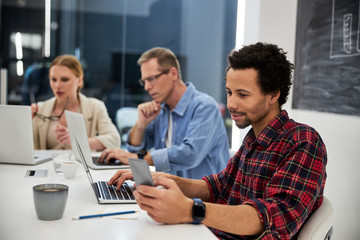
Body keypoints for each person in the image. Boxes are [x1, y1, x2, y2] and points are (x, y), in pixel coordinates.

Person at [107, 43, 327, 239]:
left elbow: (271, 218)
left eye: (242, 94)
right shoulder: (253, 140)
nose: (230, 104)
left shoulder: (303, 141)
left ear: (273, 95)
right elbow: (218, 186)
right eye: (229, 92)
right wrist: (160, 177)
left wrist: (190, 210)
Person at [99, 47, 230, 179]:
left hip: (202, 198)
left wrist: (137, 158)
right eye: (144, 81)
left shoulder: (204, 106)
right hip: (169, 192)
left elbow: (190, 154)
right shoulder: (161, 110)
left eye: (151, 78)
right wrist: (141, 124)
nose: (147, 87)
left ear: (173, 73)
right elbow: (135, 150)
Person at [31, 54, 120, 150]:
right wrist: (26, 123)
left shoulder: (95, 107)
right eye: (53, 79)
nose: (57, 85)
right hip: (46, 165)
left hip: (80, 165)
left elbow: (114, 140)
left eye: (64, 79)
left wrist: (78, 140)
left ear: (80, 81)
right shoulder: (39, 109)